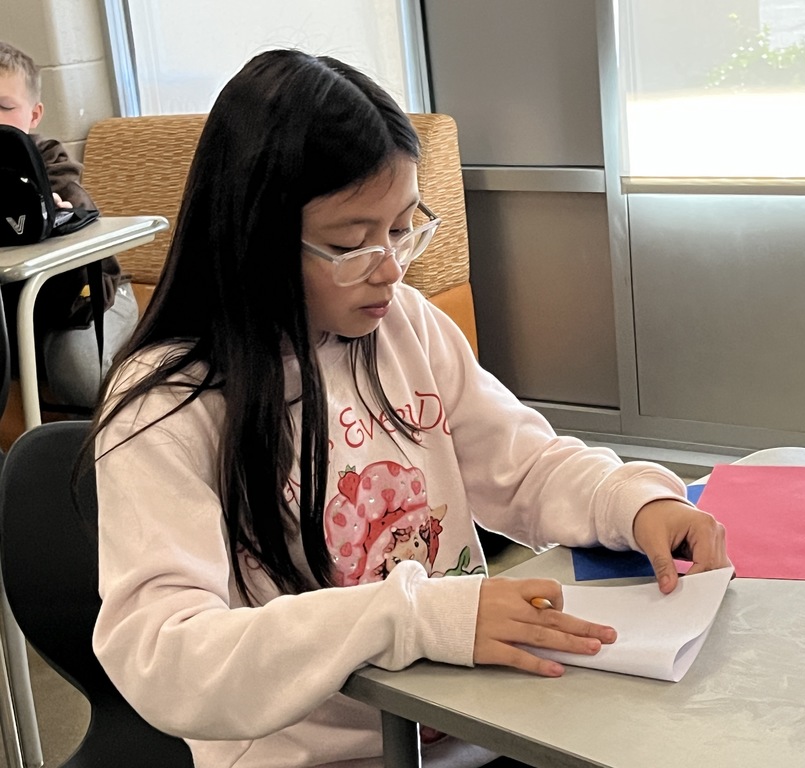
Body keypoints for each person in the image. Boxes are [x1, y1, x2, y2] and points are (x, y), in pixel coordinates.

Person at [89, 48, 731, 768]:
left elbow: (524, 466)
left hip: (476, 723)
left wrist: (633, 502)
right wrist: (416, 617)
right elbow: (164, 657)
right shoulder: (169, 405)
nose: (392, 267)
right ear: (252, 239)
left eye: (401, 228)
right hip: (318, 758)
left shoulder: (404, 326)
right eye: (349, 243)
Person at [0, 41, 138, 408]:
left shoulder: (49, 162)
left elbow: (77, 205)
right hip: (16, 316)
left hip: (93, 301)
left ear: (34, 114)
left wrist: (57, 213)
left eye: (4, 106)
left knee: (76, 370)